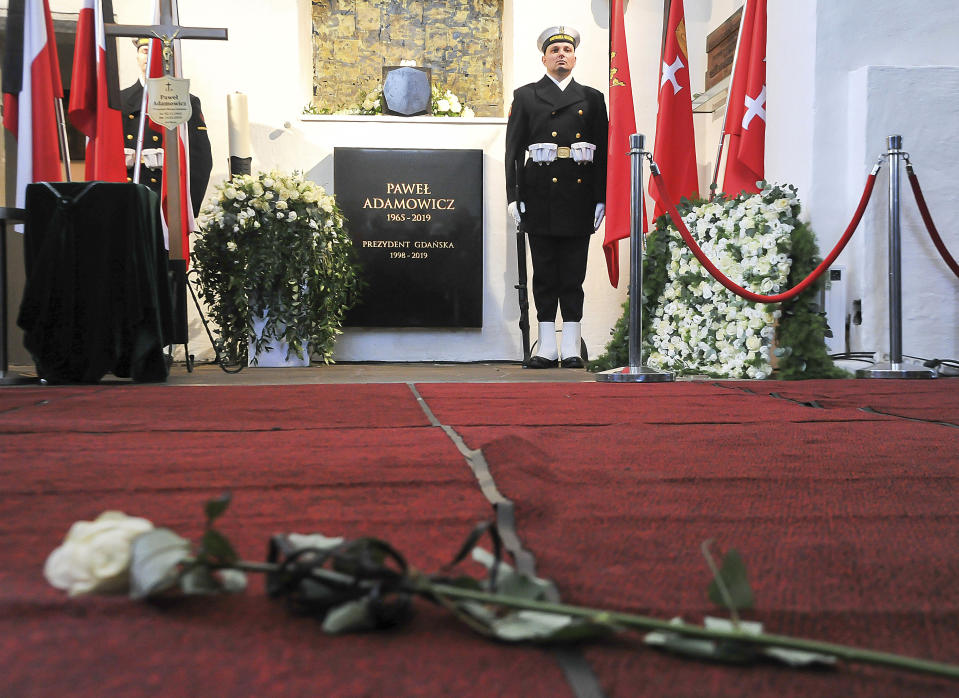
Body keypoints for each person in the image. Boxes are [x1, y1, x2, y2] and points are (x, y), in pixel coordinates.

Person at [505, 26, 608, 369]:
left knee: (573, 275)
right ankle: (546, 345)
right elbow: (513, 152)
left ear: (575, 57)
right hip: (539, 195)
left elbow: (603, 152)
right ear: (544, 58)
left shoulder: (592, 98)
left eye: (567, 49)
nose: (561, 54)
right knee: (545, 273)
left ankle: (572, 346)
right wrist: (513, 196)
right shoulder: (526, 96)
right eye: (555, 50)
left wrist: (600, 197)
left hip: (578, 198)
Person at [120, 38, 213, 218]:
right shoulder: (120, 101)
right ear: (137, 57)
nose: (149, 57)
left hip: (164, 198)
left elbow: (199, 159)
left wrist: (187, 207)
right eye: (145, 51)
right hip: (126, 196)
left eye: (154, 53)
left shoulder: (185, 101)